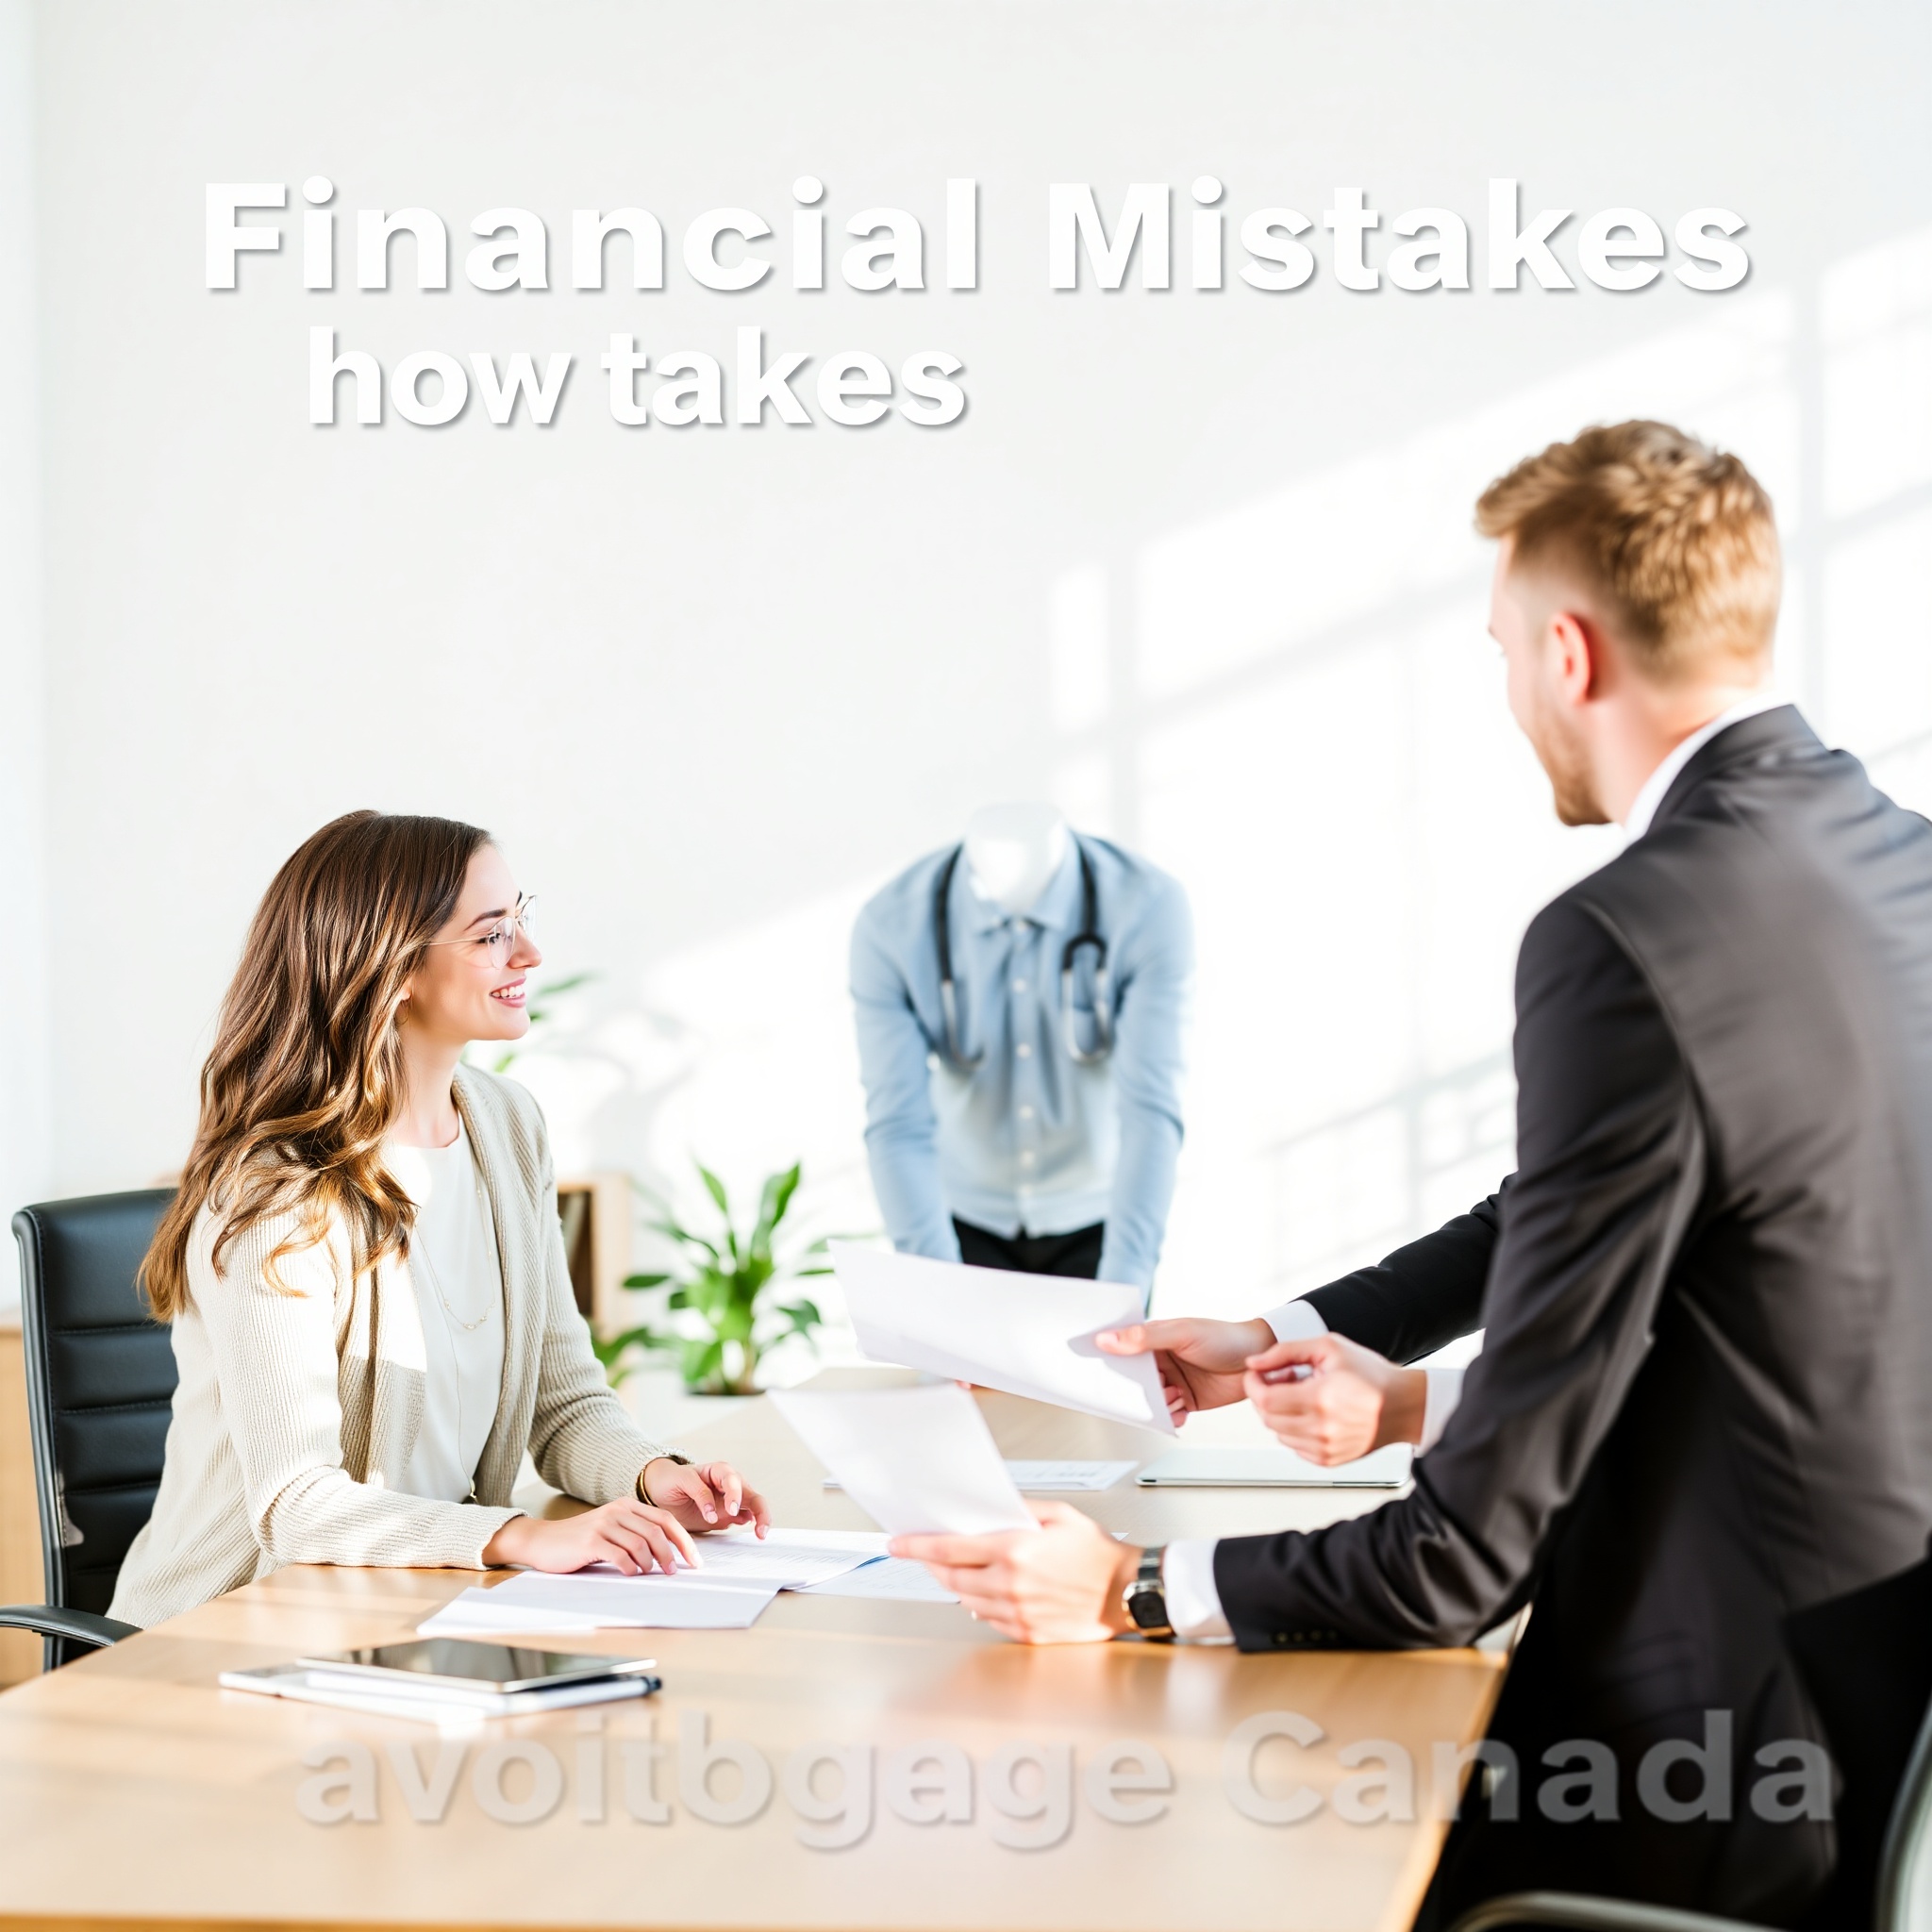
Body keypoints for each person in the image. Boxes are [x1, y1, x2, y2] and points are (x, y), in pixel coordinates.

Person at [891, 423, 1932, 1927]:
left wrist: (1126, 1590)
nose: (1510, 690)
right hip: (1864, 1710)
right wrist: (1279, 1334)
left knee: (1214, 1843)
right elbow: (1603, 1211)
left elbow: (1460, 1560)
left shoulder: (1628, 932)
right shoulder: (1893, 866)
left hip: (1686, 1762)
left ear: (1569, 654)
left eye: (1505, 647)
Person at [113, 811, 769, 1628]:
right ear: (392, 969)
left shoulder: (505, 1126)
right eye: (493, 935)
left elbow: (562, 1405)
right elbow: (296, 1504)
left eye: (521, 919)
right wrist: (519, 1536)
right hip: (225, 1630)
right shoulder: (278, 1195)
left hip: (409, 1606)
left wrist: (648, 1475)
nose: (530, 954)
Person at [850, 802, 1192, 1299]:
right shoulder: (890, 926)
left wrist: (1124, 1295)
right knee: (960, 1374)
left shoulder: (1148, 906)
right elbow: (898, 1125)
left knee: (1101, 1372)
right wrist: (936, 1291)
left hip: (1102, 1226)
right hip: (959, 1226)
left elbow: (1151, 1113)